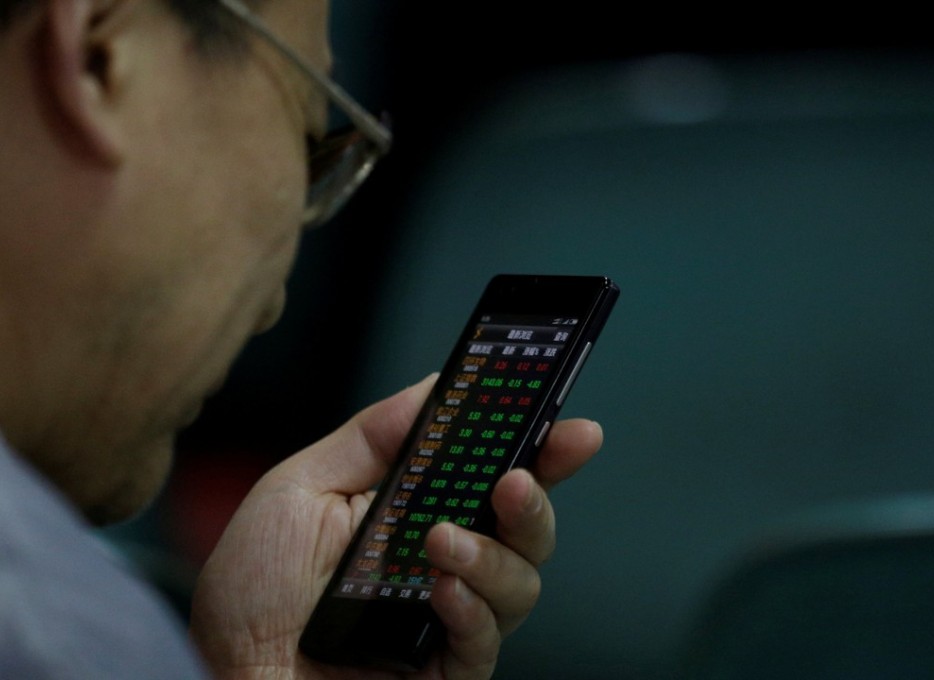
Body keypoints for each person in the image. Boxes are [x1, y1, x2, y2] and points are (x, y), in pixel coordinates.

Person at [0, 0, 604, 677]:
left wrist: (248, 666)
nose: (273, 305)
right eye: (308, 139)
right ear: (100, 58)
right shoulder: (60, 633)